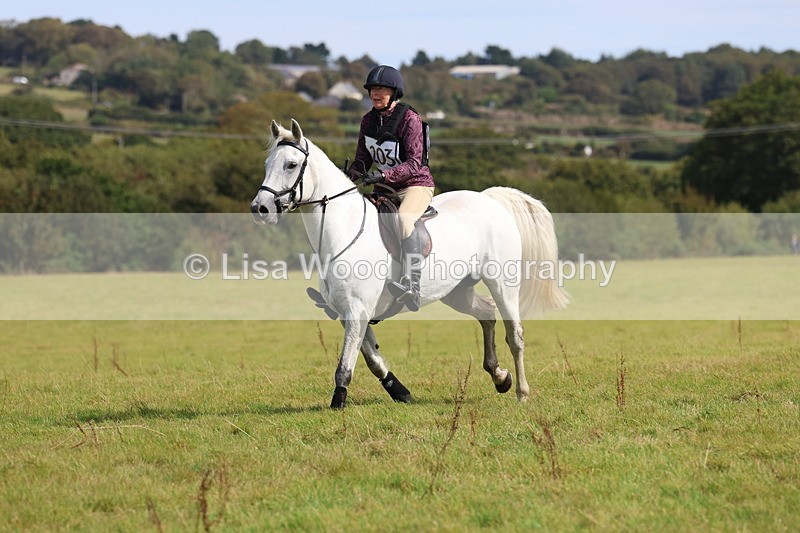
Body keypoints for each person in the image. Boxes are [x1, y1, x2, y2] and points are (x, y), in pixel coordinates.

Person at [348, 65, 435, 311]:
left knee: (404, 220)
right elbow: (362, 159)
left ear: (394, 92)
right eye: (373, 89)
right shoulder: (368, 121)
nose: (376, 94)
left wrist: (383, 175)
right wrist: (348, 176)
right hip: (384, 188)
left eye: (382, 89)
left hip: (414, 185)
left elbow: (414, 162)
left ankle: (411, 286)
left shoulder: (409, 119)